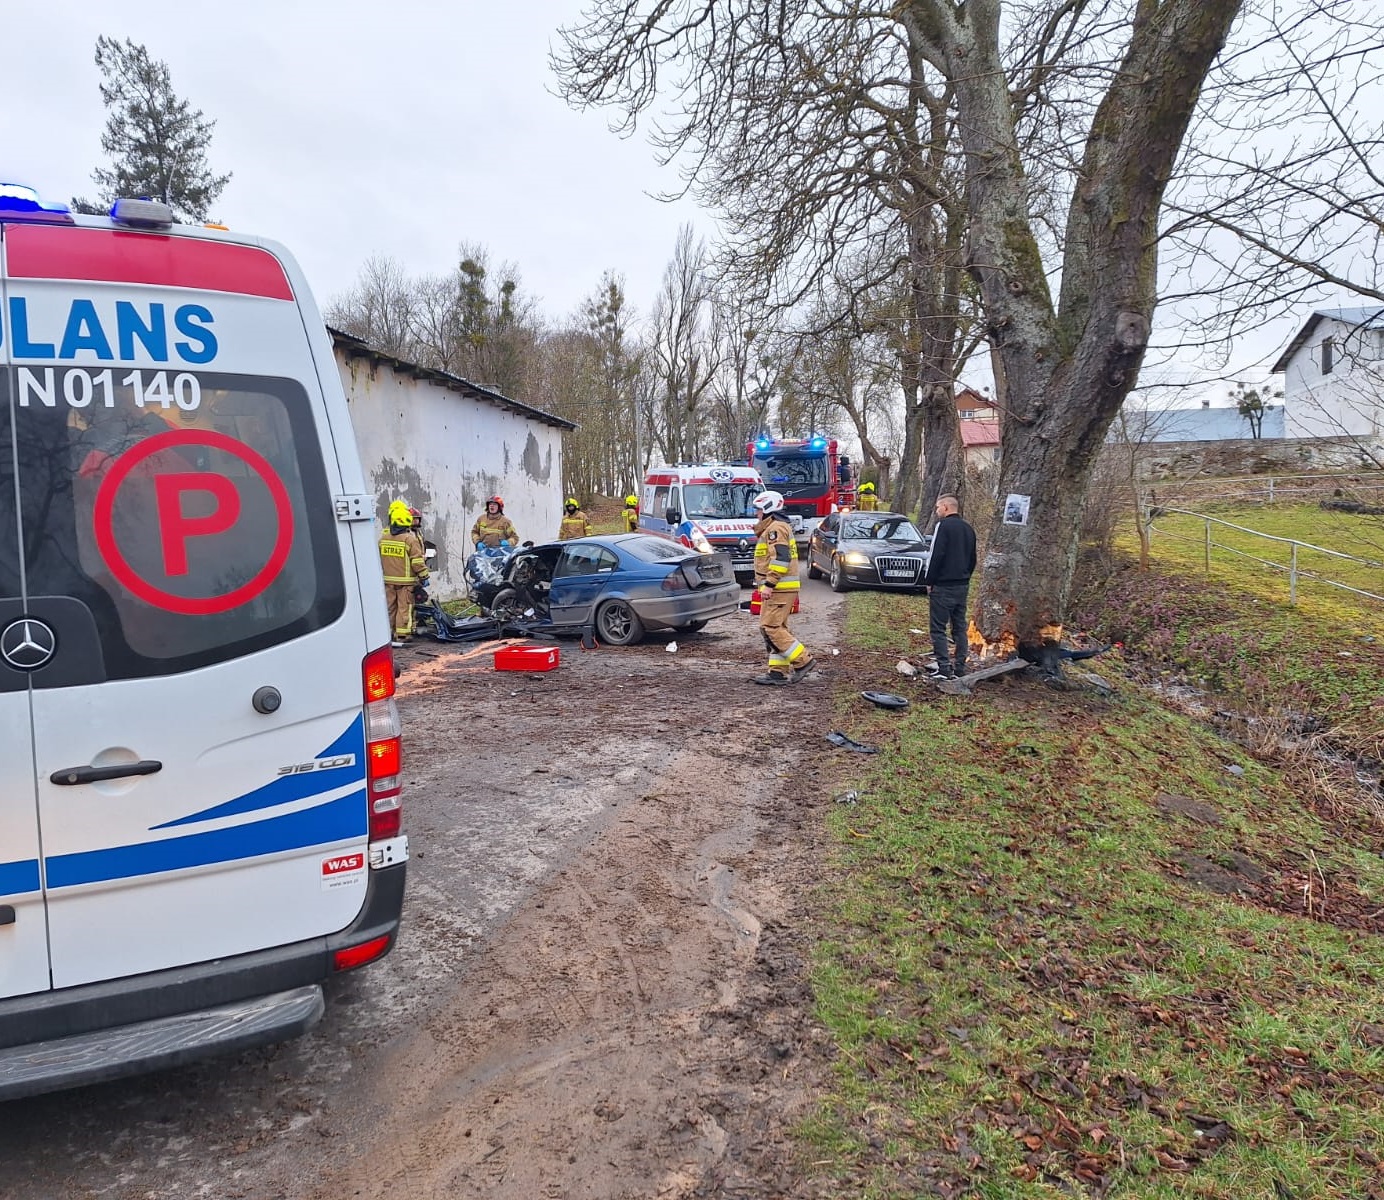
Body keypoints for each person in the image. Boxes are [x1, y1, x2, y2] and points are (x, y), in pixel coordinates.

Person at [750, 490, 815, 685]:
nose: (756, 513)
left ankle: (803, 661)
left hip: (778, 588)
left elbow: (781, 558)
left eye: (758, 509)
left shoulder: (775, 529)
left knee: (770, 627)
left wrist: (769, 584)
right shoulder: (778, 527)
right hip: (781, 588)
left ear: (767, 508)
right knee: (777, 627)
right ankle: (777, 672)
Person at [922, 493, 977, 679]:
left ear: (946, 507)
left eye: (938, 507)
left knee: (938, 628)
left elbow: (936, 555)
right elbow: (973, 558)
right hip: (962, 585)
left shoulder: (943, 526)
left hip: (943, 585)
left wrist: (929, 581)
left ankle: (944, 668)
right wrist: (965, 576)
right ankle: (960, 667)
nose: (937, 511)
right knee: (959, 627)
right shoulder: (968, 529)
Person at [379, 500, 430, 647]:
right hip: (405, 582)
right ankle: (402, 635)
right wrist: (424, 576)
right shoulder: (409, 539)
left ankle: (388, 633)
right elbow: (417, 562)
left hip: (387, 581)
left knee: (390, 607)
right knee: (404, 608)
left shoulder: (384, 538)